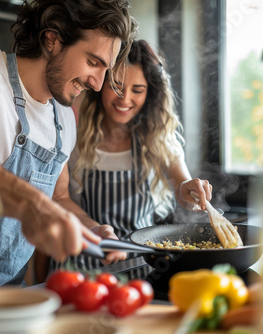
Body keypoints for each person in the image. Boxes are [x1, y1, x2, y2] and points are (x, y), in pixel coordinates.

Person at [0, 0, 136, 309]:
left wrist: (91, 230)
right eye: (93, 62)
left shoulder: (63, 118)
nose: (97, 83)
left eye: (105, 69)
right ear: (52, 40)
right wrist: (34, 206)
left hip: (7, 300)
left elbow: (59, 198)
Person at [47, 40, 213, 279]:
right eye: (116, 86)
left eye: (138, 90)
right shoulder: (70, 134)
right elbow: (59, 199)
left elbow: (182, 188)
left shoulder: (158, 138)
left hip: (139, 268)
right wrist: (98, 230)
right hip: (81, 267)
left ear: (150, 94)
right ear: (100, 84)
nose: (125, 99)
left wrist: (191, 191)